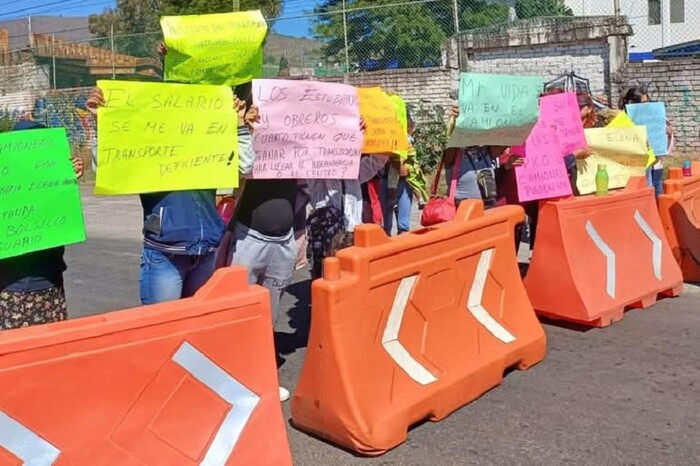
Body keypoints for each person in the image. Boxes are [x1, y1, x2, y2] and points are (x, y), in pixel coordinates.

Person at [86, 89, 254, 305]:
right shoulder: (149, 150)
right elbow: (107, 168)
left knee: (196, 329)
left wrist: (239, 123)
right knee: (162, 329)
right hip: (165, 254)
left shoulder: (207, 146)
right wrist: (103, 124)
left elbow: (246, 165)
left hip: (207, 250)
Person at [0, 121, 84, 330]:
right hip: (11, 288)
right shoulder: (7, 188)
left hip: (50, 282)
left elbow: (62, 220)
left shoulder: (48, 186)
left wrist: (68, 177)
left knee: (49, 351)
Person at [619, 86, 674, 196]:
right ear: (632, 103)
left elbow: (666, 148)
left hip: (656, 165)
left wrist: (668, 135)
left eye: (646, 101)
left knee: (658, 194)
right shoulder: (622, 120)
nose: (645, 105)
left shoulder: (656, 117)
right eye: (642, 102)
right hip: (636, 168)